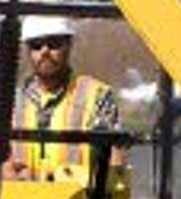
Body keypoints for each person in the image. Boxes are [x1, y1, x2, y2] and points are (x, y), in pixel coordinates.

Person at [6, 14, 122, 182]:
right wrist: (12, 176)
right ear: (28, 50)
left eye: (53, 44)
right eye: (36, 45)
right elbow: (2, 159)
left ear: (69, 45)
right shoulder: (12, 100)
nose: (45, 52)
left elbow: (115, 159)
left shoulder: (97, 94)